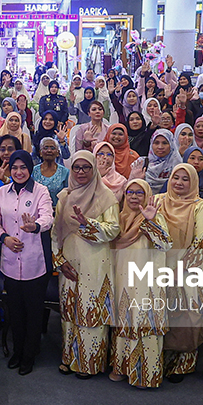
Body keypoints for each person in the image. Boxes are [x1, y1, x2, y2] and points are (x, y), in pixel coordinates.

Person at [53, 150, 120, 379]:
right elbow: (55, 233)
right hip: (69, 263)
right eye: (76, 167)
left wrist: (87, 223)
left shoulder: (106, 196)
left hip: (95, 263)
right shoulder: (64, 197)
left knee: (90, 310)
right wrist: (59, 261)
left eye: (86, 167)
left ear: (94, 169)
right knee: (69, 311)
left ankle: (89, 363)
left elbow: (113, 230)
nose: (81, 172)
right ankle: (69, 358)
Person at [0, 150, 54, 376]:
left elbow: (48, 217)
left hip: (34, 263)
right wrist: (4, 238)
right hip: (10, 263)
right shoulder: (2, 192)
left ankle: (29, 355)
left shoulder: (41, 191)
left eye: (23, 167)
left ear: (30, 168)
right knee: (15, 312)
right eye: (14, 168)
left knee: (33, 313)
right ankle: (17, 352)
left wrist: (35, 226)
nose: (19, 172)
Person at [109, 179, 171, 388]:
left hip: (147, 282)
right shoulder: (119, 218)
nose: (134, 197)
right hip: (123, 279)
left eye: (139, 193)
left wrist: (150, 222)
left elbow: (165, 245)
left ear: (147, 196)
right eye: (130, 192)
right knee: (124, 320)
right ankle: (122, 367)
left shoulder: (156, 217)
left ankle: (145, 373)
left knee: (144, 322)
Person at [155, 163, 203, 380]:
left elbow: (201, 241)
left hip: (189, 269)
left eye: (185, 179)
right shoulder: (158, 201)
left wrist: (180, 269)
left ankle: (184, 363)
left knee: (187, 316)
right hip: (158, 267)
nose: (179, 183)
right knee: (164, 314)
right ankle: (163, 358)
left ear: (194, 182)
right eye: (175, 178)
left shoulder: (200, 206)